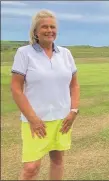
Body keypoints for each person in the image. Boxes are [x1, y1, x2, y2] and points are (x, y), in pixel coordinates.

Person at [11, 9, 80, 180]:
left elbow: (74, 85)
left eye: (52, 27)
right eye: (44, 27)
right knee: (31, 168)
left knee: (57, 160)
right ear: (35, 31)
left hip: (62, 119)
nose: (49, 30)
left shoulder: (65, 54)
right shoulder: (24, 53)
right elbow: (16, 89)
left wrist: (73, 111)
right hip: (35, 121)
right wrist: (33, 119)